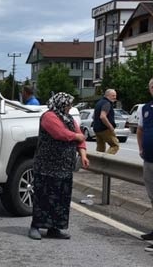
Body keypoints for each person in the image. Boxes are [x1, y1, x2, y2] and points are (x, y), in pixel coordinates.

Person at [28, 92, 89, 240]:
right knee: (44, 196)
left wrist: (83, 154)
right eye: (68, 105)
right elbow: (60, 133)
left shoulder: (69, 118)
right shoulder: (49, 116)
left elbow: (79, 135)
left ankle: (55, 228)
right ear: (61, 104)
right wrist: (76, 137)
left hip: (64, 167)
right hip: (46, 166)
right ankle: (35, 226)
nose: (69, 107)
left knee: (61, 198)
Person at [137, 79, 153, 252]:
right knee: (152, 197)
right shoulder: (145, 108)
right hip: (148, 159)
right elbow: (140, 130)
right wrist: (141, 147)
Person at [93, 89, 120, 155]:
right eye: (113, 95)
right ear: (107, 95)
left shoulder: (99, 103)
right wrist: (110, 127)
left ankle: (98, 162)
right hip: (105, 129)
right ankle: (105, 161)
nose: (115, 97)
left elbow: (94, 116)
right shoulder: (107, 103)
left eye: (115, 95)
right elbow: (103, 116)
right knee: (115, 145)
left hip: (97, 129)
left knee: (100, 147)